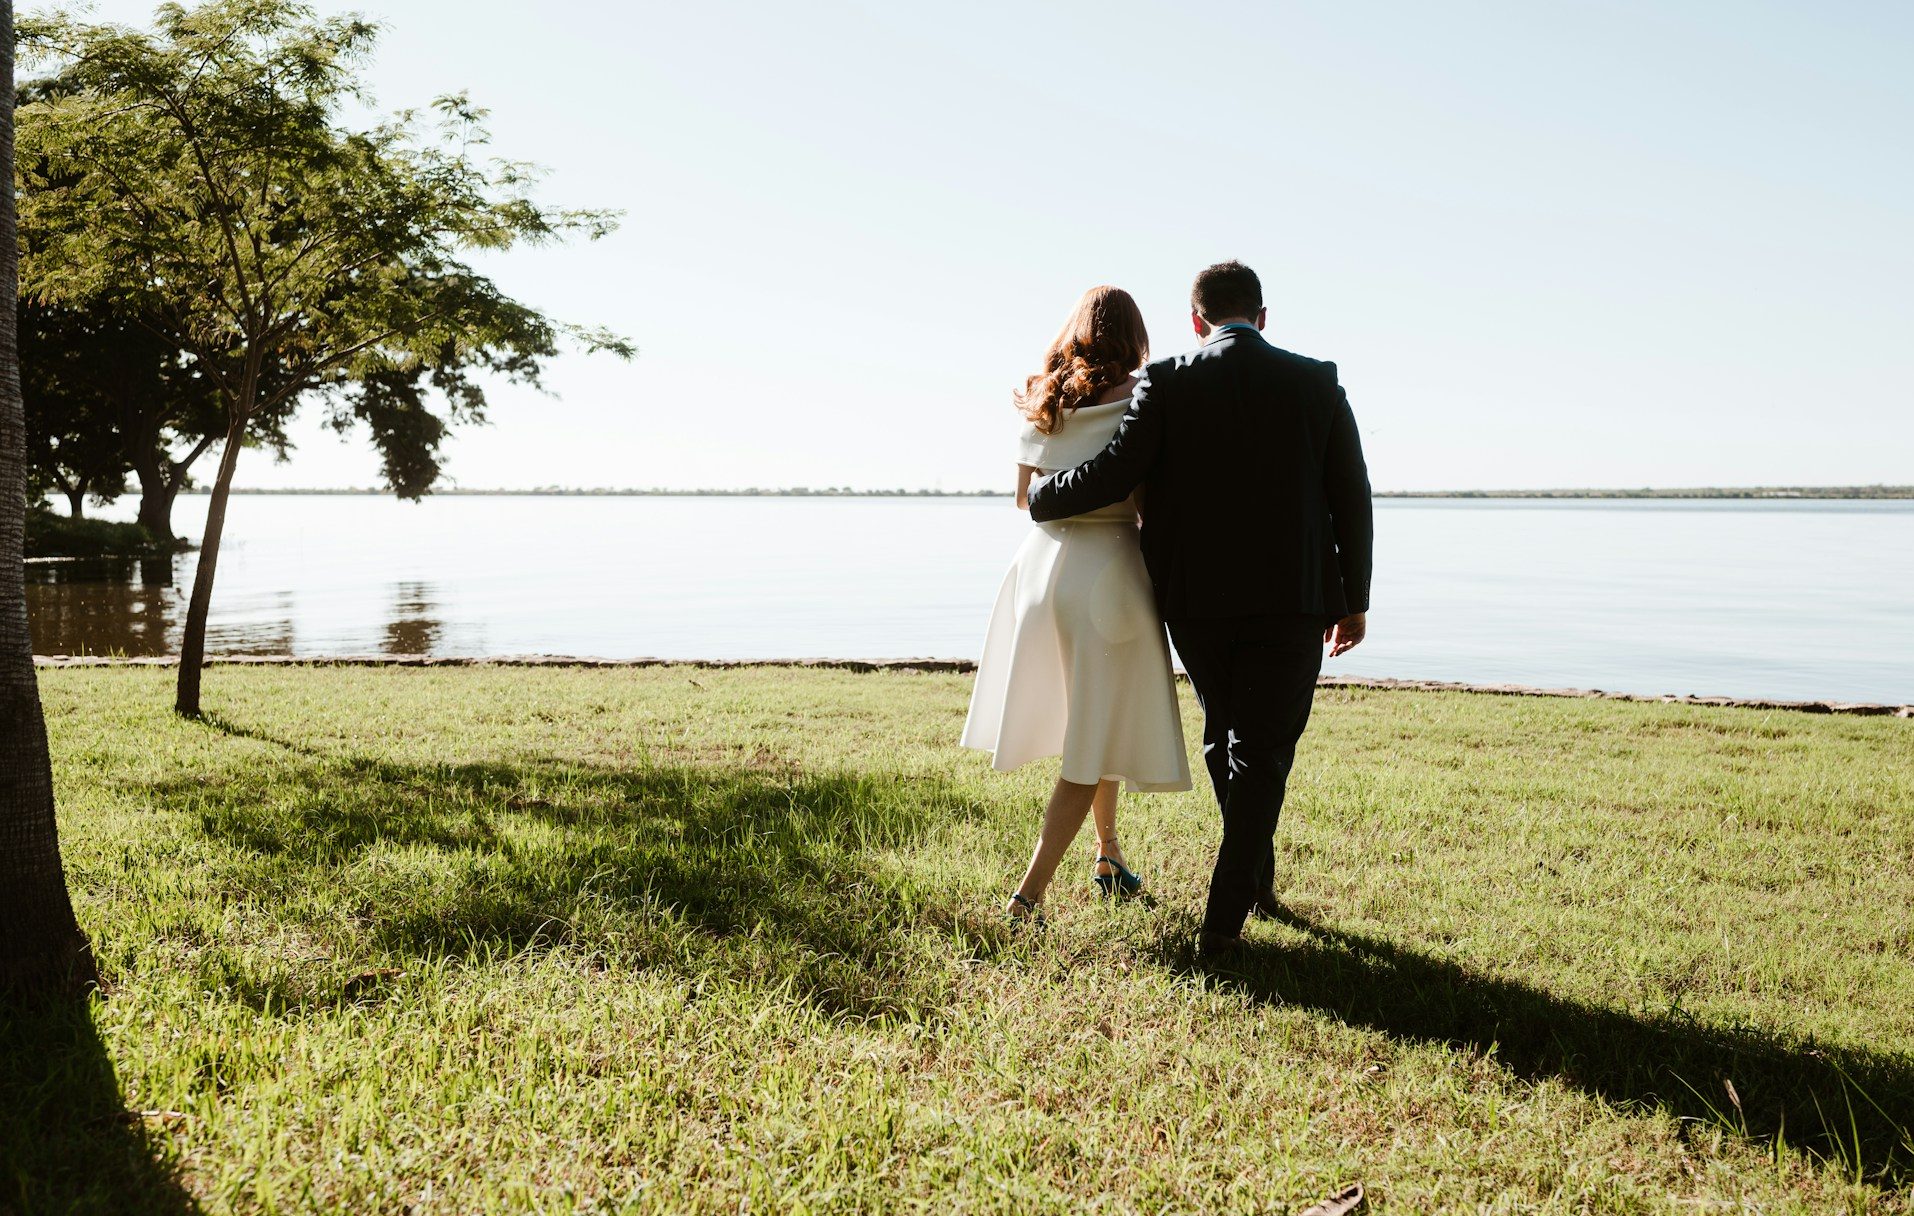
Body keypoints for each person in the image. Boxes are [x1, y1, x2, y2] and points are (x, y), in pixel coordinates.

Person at [1028, 260, 1373, 957]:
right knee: (1263, 749)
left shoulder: (1171, 380)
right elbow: (1351, 499)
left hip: (1196, 603)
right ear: (1264, 317)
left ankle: (1256, 880)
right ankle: (1223, 923)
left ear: (1195, 320)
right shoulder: (1317, 381)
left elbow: (1117, 469)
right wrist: (1354, 600)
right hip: (1295, 601)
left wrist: (1044, 496)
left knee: (1229, 737)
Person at [961, 285, 1192, 924]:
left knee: (1097, 718)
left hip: (1037, 571)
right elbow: (1147, 505)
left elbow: (1022, 498)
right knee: (1091, 737)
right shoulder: (1140, 401)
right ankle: (1028, 894)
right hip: (1108, 574)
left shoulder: (1045, 401)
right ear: (1134, 337)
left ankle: (1109, 853)